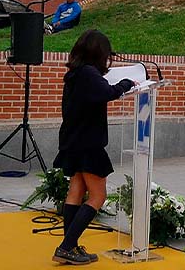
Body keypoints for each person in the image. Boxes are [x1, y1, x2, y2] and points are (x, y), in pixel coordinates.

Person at [51, 29, 137, 266]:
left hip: (73, 139)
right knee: (99, 196)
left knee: (76, 192)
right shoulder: (89, 73)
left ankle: (70, 246)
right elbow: (107, 93)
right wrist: (126, 83)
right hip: (88, 142)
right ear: (99, 52)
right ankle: (67, 246)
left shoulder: (76, 73)